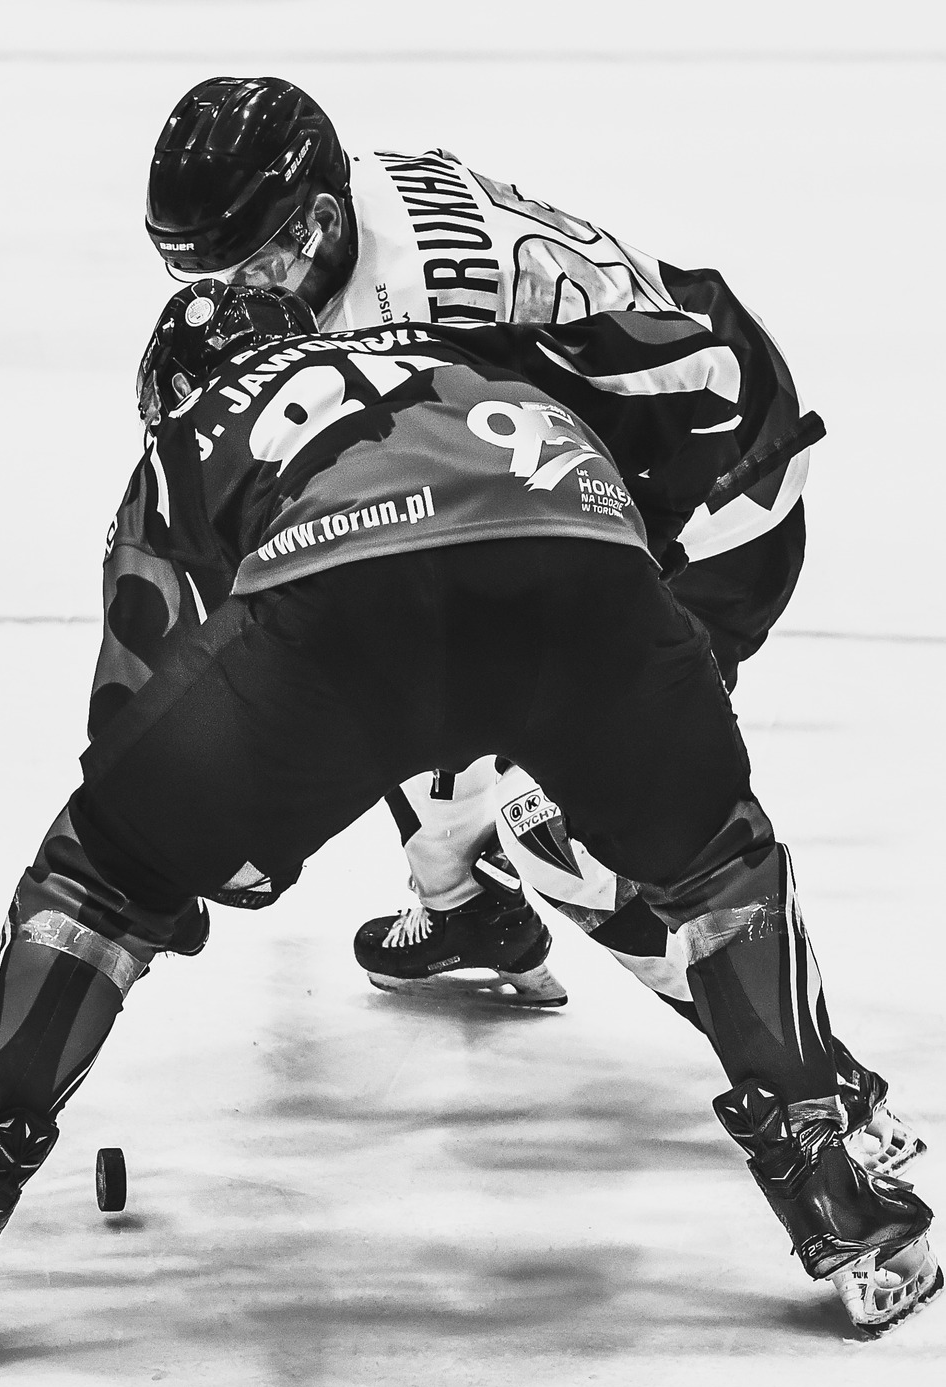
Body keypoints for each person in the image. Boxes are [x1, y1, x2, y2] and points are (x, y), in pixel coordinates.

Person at [0, 286, 937, 1377]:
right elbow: (617, 427)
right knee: (719, 862)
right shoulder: (453, 352)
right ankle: (844, 1201)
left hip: (353, 604)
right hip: (593, 569)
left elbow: (131, 711)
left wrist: (171, 861)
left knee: (98, 875)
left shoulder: (187, 428)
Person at [144, 77, 823, 1010]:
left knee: (561, 820)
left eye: (252, 268)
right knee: (433, 673)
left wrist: (198, 822)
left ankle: (783, 1057)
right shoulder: (353, 219)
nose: (237, 296)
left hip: (713, 487)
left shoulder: (403, 322)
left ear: (319, 221)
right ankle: (459, 902)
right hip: (653, 427)